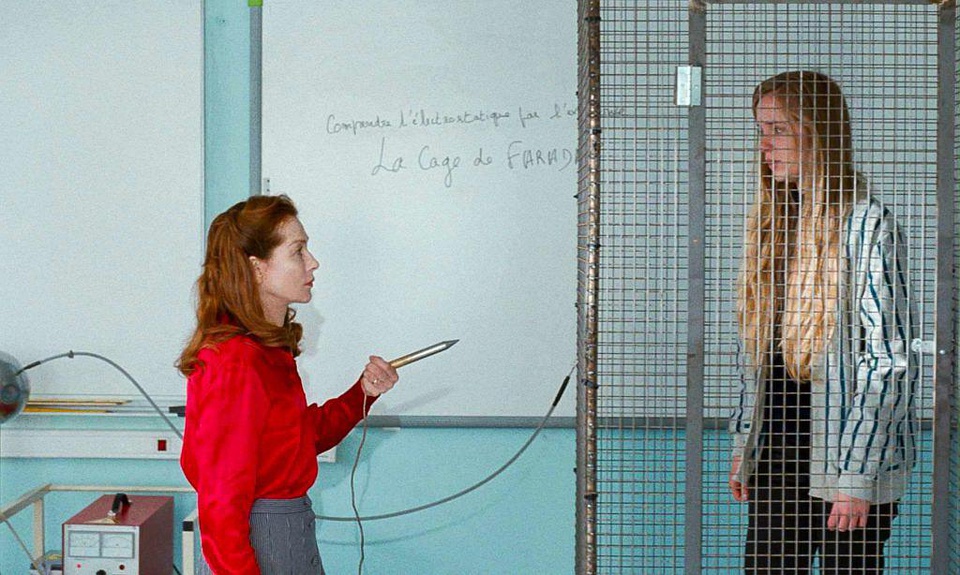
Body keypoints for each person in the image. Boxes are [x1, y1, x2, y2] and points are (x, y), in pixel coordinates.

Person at [728, 71, 918, 574]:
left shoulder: (867, 225)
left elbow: (890, 360)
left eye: (778, 130)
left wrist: (856, 478)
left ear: (818, 133)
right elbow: (758, 352)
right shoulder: (773, 222)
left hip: (847, 461)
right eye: (761, 131)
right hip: (777, 458)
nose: (764, 146)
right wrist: (745, 444)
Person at [177, 194, 398, 574]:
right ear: (257, 267)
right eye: (298, 251)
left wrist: (362, 394)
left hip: (285, 531)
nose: (313, 262)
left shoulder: (265, 350)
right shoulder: (235, 360)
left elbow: (296, 441)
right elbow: (221, 500)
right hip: (262, 537)